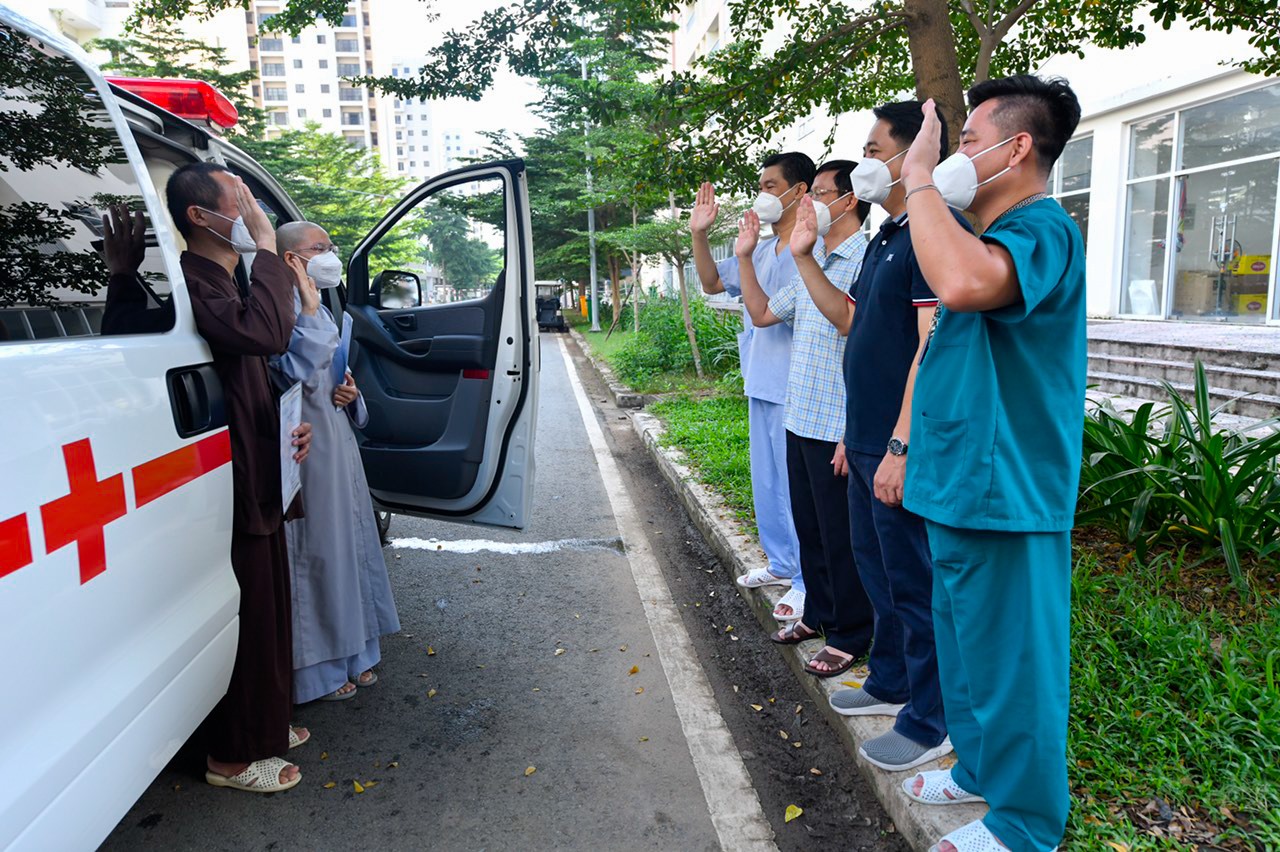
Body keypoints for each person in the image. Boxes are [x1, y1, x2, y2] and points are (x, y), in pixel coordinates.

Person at [897, 75, 1085, 852]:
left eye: (968, 140)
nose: (953, 154)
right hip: (961, 482)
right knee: (967, 646)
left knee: (1015, 661)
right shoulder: (986, 237)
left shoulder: (1043, 228)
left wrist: (917, 183)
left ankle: (1025, 822)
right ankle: (977, 770)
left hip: (1008, 488)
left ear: (1017, 149)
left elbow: (964, 283)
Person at [801, 102, 961, 772]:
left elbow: (931, 346)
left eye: (874, 148)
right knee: (879, 572)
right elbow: (852, 324)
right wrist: (851, 433)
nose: (863, 161)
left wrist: (900, 445)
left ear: (909, 154)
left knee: (912, 580)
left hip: (897, 445)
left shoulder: (929, 235)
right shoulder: (888, 237)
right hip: (862, 437)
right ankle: (890, 682)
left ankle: (931, 720)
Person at [166, 162, 314, 794]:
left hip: (260, 457)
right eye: (241, 199)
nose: (252, 208)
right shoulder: (195, 282)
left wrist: (288, 424)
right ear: (202, 216)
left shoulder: (223, 277)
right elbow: (267, 332)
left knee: (268, 603)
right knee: (247, 611)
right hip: (229, 475)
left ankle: (266, 721)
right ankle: (232, 756)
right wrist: (268, 245)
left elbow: (262, 363)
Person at [733, 160, 874, 679]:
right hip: (801, 416)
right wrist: (745, 258)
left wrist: (852, 430)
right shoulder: (813, 256)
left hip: (837, 424)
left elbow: (864, 343)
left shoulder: (864, 260)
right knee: (812, 531)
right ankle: (818, 615)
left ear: (849, 200)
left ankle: (850, 633)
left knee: (842, 537)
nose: (809, 203)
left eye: (819, 193)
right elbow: (765, 313)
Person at [270, 221, 401, 704]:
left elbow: (334, 373)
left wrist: (351, 393)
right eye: (319, 249)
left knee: (352, 543)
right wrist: (305, 314)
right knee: (317, 552)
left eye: (331, 247)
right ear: (290, 259)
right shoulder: (277, 307)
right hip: (304, 443)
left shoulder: (323, 308)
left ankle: (357, 651)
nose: (330, 256)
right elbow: (288, 373)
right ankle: (319, 669)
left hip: (336, 433)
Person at [690, 153, 814, 623]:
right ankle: (782, 564)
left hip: (798, 387)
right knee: (766, 484)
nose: (762, 192)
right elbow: (708, 281)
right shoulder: (757, 250)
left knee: (794, 487)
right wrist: (699, 232)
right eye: (759, 184)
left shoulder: (810, 249)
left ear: (798, 191)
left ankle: (806, 580)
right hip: (760, 380)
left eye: (771, 183)